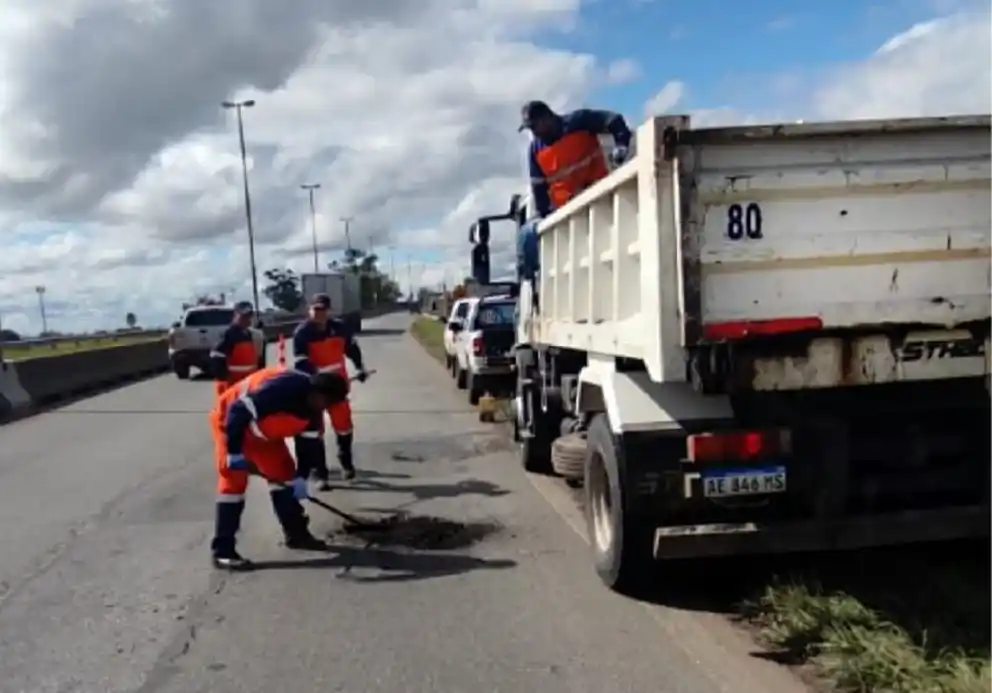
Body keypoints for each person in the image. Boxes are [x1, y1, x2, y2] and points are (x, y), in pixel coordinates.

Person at [209, 366, 349, 570]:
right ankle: (223, 551)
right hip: (231, 425)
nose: (323, 407)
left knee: (285, 475)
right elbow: (238, 410)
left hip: (265, 436)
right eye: (324, 401)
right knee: (233, 486)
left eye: (328, 405)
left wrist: (300, 478)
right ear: (315, 391)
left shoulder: (314, 413)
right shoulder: (281, 388)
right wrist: (234, 453)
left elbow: (307, 447)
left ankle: (296, 534)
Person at [292, 293, 370, 489]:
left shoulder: (340, 328)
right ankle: (320, 473)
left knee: (344, 426)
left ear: (329, 311)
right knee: (315, 430)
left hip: (337, 387)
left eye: (323, 310)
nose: (319, 313)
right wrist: (318, 377)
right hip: (315, 388)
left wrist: (360, 368)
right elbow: (301, 362)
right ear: (309, 310)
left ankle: (346, 461)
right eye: (316, 309)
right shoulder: (302, 333)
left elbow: (352, 349)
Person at [519, 100, 633, 219]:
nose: (533, 132)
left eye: (534, 126)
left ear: (547, 117)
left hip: (600, 194)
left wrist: (621, 145)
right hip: (567, 214)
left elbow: (613, 120)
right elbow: (538, 188)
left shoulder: (578, 122)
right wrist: (545, 214)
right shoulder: (535, 150)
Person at [209, 301, 260, 400]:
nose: (247, 319)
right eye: (243, 316)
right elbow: (216, 355)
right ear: (235, 316)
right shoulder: (229, 334)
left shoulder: (247, 334)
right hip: (232, 385)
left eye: (249, 316)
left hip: (246, 384)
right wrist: (225, 377)